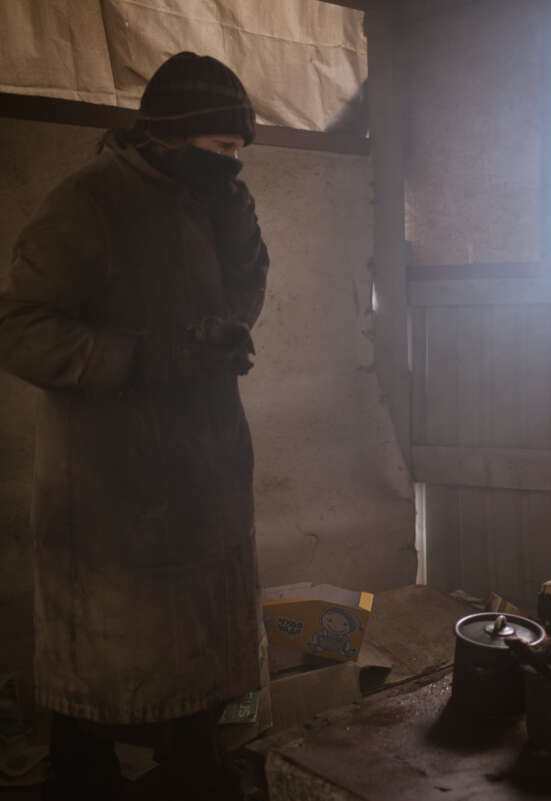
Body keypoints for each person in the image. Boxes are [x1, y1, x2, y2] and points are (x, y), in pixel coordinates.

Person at [0, 52, 269, 800]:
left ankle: (189, 769)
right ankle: (88, 776)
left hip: (204, 466)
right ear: (171, 138)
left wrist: (224, 329)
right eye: (220, 150)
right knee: (108, 669)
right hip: (110, 484)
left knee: (199, 658)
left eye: (239, 152)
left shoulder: (218, 201)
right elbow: (18, 326)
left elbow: (246, 286)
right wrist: (137, 359)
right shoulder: (89, 203)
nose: (232, 165)